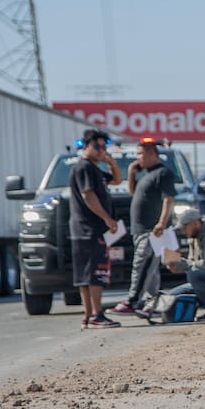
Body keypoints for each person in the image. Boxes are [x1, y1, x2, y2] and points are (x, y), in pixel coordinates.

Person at [111, 138, 175, 317]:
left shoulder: (163, 173)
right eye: (137, 154)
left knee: (141, 264)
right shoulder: (145, 174)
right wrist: (131, 173)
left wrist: (161, 222)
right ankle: (152, 303)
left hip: (152, 230)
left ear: (153, 154)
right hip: (139, 230)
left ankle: (132, 301)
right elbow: (132, 192)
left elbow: (168, 199)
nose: (138, 158)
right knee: (150, 270)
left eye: (141, 154)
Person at [69, 128, 123, 329]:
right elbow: (88, 196)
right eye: (97, 146)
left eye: (104, 146)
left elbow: (117, 180)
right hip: (88, 229)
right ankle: (96, 314)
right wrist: (107, 219)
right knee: (95, 274)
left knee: (87, 274)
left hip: (85, 230)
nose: (101, 150)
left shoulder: (95, 169)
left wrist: (112, 163)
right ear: (86, 146)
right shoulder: (84, 168)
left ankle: (88, 315)